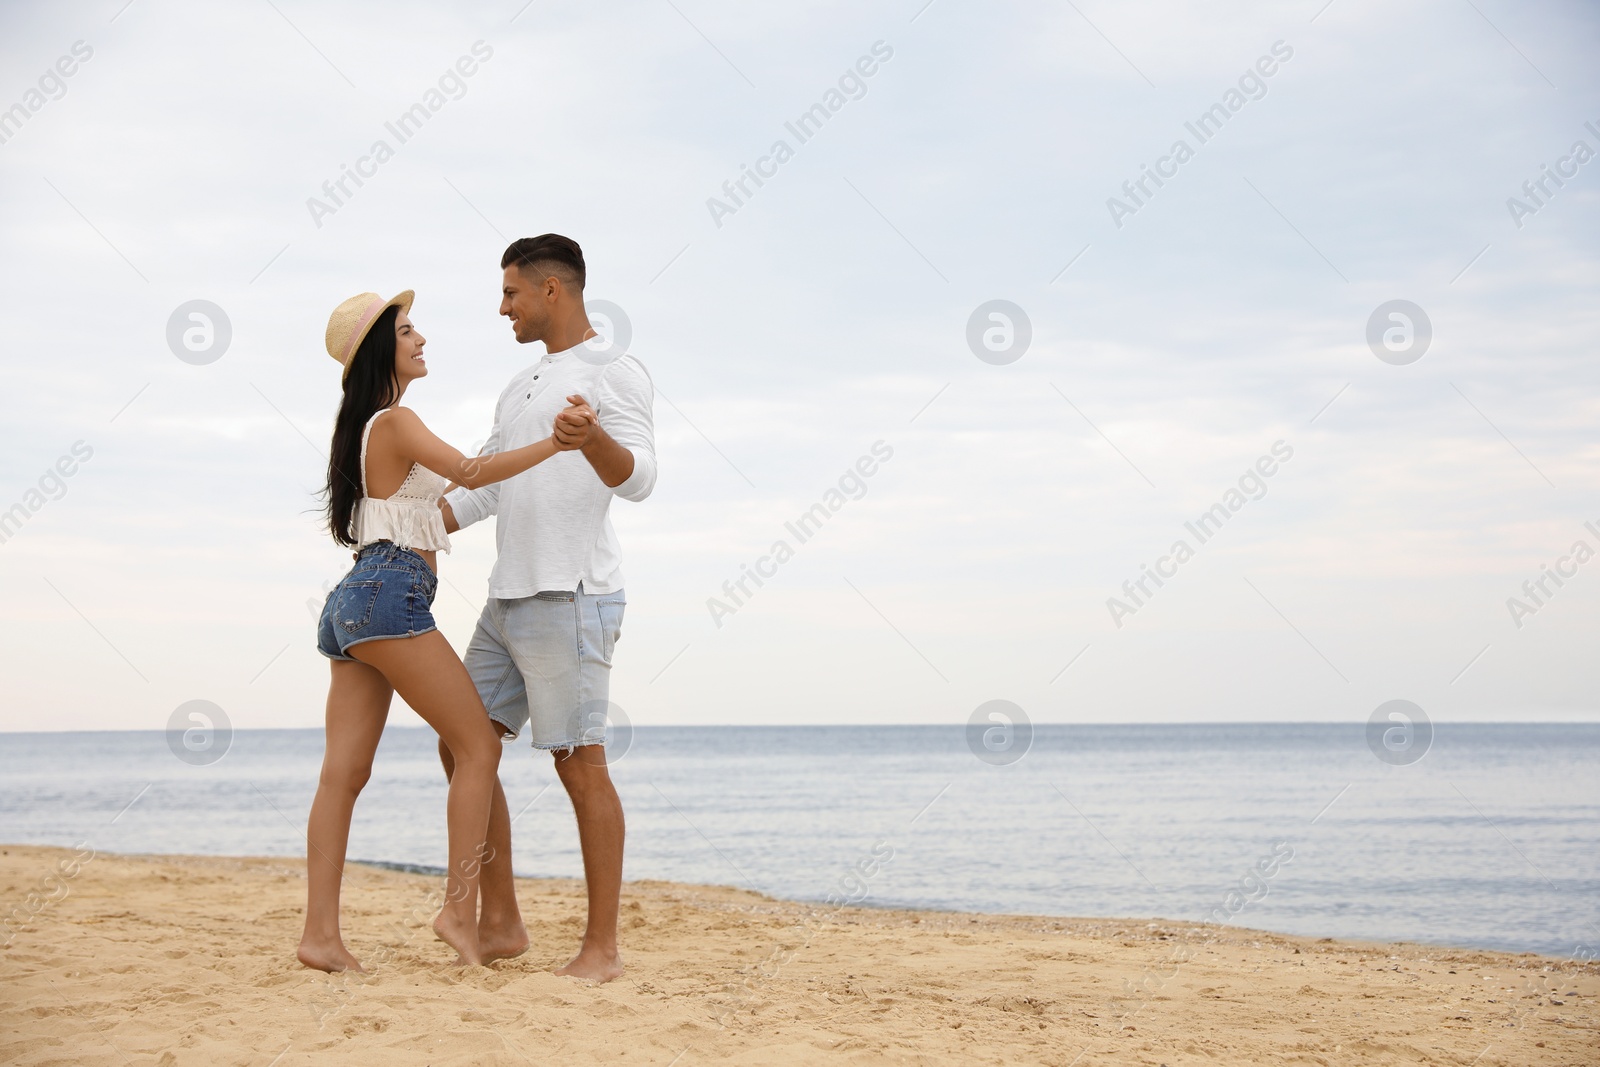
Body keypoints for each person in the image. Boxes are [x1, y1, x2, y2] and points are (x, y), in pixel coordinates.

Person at [298, 289, 595, 972]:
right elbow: (468, 473)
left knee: (341, 775)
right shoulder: (396, 420)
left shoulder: (365, 428)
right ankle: (460, 910)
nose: (420, 337)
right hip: (390, 592)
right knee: (475, 748)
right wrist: (555, 442)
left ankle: (320, 935)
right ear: (382, 349)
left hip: (351, 601)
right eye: (406, 331)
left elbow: (440, 499)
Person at [439, 234, 656, 983]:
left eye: (511, 294)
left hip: (570, 596)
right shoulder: (520, 385)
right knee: (460, 742)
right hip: (507, 595)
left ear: (551, 290)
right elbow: (488, 482)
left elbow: (639, 477)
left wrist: (592, 438)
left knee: (580, 765)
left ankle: (602, 949)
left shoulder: (614, 369)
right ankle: (501, 921)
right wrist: (417, 520)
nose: (504, 307)